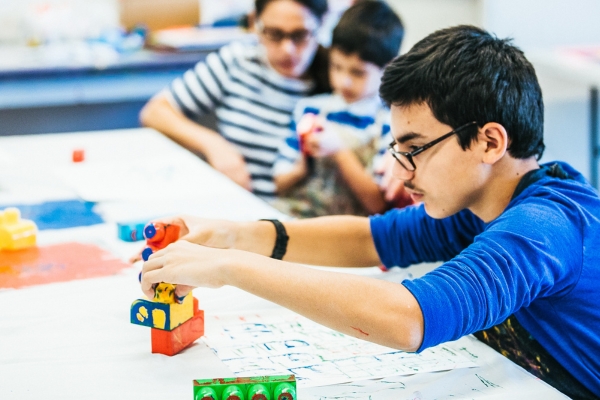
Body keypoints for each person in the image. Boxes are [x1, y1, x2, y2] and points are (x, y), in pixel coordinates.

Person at [140, 25, 600, 398]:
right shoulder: (482, 202)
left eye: (416, 148)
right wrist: (234, 235)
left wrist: (231, 266)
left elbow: (409, 318)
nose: (401, 172)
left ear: (489, 142)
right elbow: (369, 238)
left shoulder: (544, 226)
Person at [139, 0, 330, 199]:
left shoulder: (344, 78)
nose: (287, 49)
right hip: (241, 211)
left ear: (322, 25)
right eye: (274, 34)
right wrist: (214, 145)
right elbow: (155, 112)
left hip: (302, 220)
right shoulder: (238, 61)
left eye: (300, 35)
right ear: (254, 22)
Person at [271, 0, 410, 218]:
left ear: (389, 67)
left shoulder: (390, 124)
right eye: (336, 67)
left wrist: (339, 152)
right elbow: (279, 184)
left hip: (347, 230)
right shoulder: (310, 109)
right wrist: (303, 164)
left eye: (357, 73)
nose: (343, 81)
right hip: (294, 215)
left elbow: (377, 204)